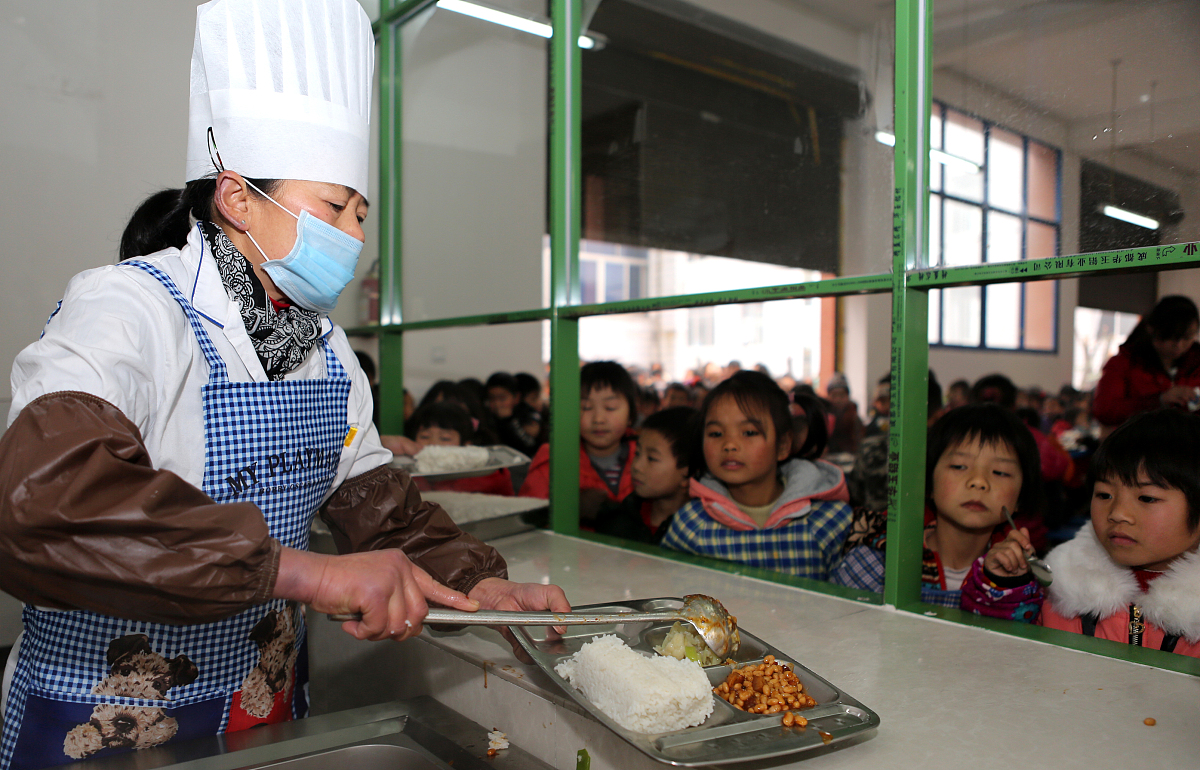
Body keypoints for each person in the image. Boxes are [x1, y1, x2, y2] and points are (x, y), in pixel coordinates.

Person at [0, 2, 567, 765]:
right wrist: (306, 572)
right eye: (335, 207)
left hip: (261, 713)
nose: (355, 238)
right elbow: (44, 507)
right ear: (237, 199)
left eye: (362, 215)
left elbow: (384, 519)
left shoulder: (328, 352)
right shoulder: (129, 308)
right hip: (97, 722)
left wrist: (476, 587)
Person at [962, 410, 1200, 656]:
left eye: (1147, 498)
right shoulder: (1065, 586)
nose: (1117, 513)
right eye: (1104, 495)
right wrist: (1004, 586)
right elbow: (1007, 653)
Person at [829, 404, 1043, 607]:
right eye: (959, 466)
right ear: (928, 481)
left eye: (1000, 472)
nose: (979, 482)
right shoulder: (879, 564)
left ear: (1021, 497)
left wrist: (1010, 587)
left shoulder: (1023, 578)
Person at [660, 372, 854, 580]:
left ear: (783, 445)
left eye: (749, 432)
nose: (729, 444)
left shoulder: (826, 522)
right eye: (716, 433)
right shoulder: (691, 524)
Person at [519, 361, 638, 525]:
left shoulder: (647, 458)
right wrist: (567, 508)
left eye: (610, 407)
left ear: (631, 414)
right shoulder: (554, 460)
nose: (598, 419)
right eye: (586, 407)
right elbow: (527, 518)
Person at [1092, 295, 1200, 434]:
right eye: (1170, 337)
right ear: (1151, 329)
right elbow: (1104, 411)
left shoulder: (1196, 363)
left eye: (1187, 337)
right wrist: (1159, 400)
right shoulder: (1125, 363)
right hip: (1137, 447)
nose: (1178, 345)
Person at [594, 407, 697, 544]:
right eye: (637, 453)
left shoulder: (697, 534)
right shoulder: (619, 520)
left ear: (687, 475)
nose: (636, 466)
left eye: (652, 458)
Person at [409, 402, 514, 496]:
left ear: (466, 446)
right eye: (424, 436)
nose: (433, 444)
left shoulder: (489, 475)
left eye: (445, 438)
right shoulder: (408, 473)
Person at [485, 372, 540, 456]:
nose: (497, 404)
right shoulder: (486, 417)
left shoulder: (527, 414)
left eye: (502, 398)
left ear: (516, 397)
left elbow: (528, 445)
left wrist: (508, 420)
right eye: (492, 398)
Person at [824, 372, 863, 455]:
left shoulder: (854, 417)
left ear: (848, 396)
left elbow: (859, 440)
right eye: (834, 395)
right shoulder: (823, 416)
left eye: (842, 395)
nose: (838, 399)